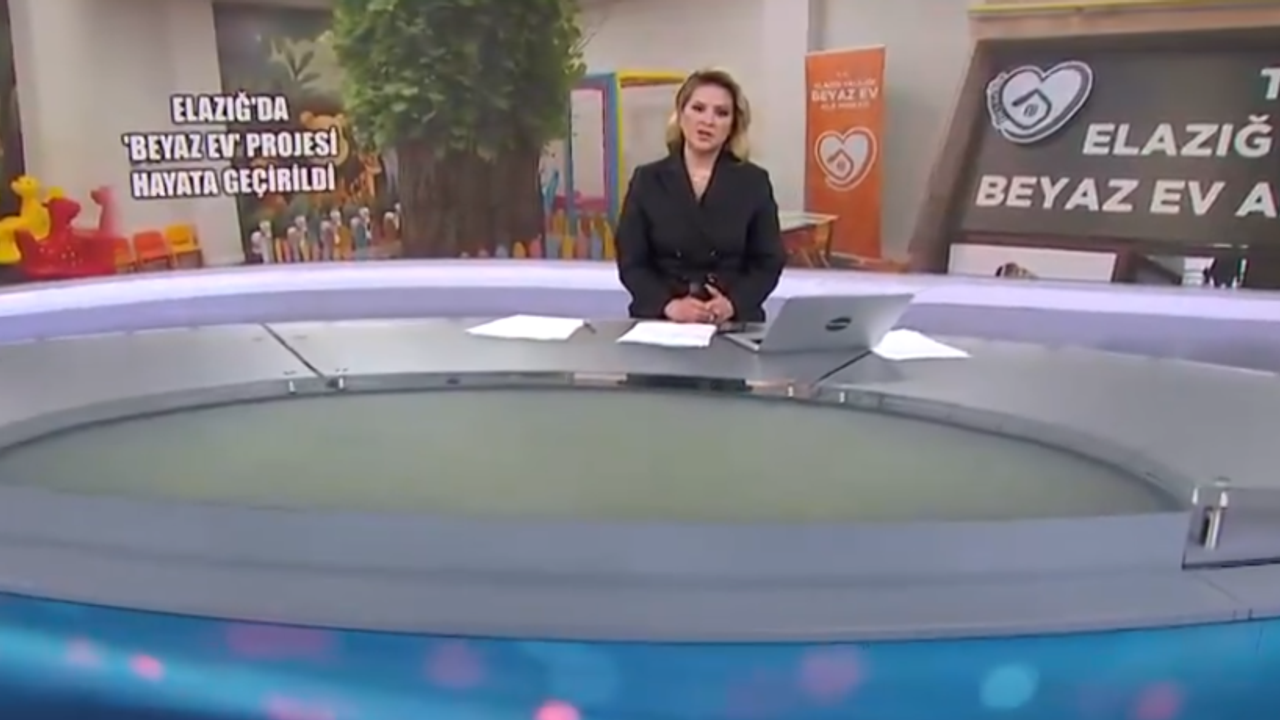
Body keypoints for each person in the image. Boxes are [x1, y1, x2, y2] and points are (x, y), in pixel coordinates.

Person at [615, 67, 785, 324]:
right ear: (681, 114)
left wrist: (732, 304)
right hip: (661, 322)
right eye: (698, 108)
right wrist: (669, 305)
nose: (708, 121)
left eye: (721, 113)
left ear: (733, 125)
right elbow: (631, 262)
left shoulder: (754, 183)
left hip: (732, 322)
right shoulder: (647, 180)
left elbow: (768, 261)